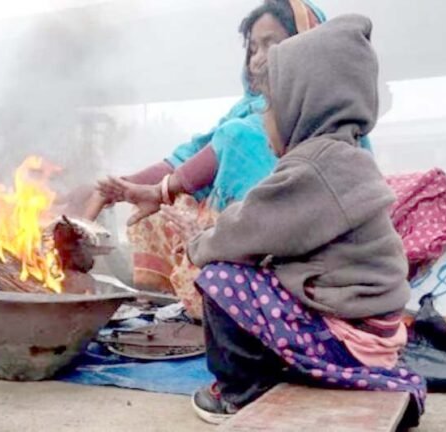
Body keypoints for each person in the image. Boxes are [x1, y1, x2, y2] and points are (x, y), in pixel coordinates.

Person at [171, 14, 426, 426]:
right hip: (372, 330)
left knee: (221, 278)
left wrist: (197, 246)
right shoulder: (347, 156)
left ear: (302, 105)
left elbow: (246, 230)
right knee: (264, 275)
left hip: (347, 338)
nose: (265, 118)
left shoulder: (313, 166)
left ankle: (241, 392)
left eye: (271, 106)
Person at [90, 0, 330, 318]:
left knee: (230, 149)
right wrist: (117, 189)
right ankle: (202, 302)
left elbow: (224, 147)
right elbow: (188, 159)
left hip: (291, 249)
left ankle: (237, 306)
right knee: (160, 215)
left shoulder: (323, 111)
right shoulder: (246, 108)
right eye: (253, 49)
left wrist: (167, 197)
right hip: (241, 234)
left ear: (305, 47)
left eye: (271, 45)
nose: (258, 59)